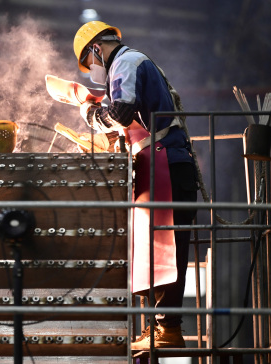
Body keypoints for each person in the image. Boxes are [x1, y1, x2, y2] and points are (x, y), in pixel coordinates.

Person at [73, 20, 198, 350]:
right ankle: (160, 327)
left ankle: (168, 328)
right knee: (153, 247)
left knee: (166, 246)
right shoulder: (130, 63)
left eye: (89, 64)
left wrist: (90, 111)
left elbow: (123, 112)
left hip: (166, 162)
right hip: (160, 162)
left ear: (96, 49)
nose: (92, 71)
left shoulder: (126, 63)